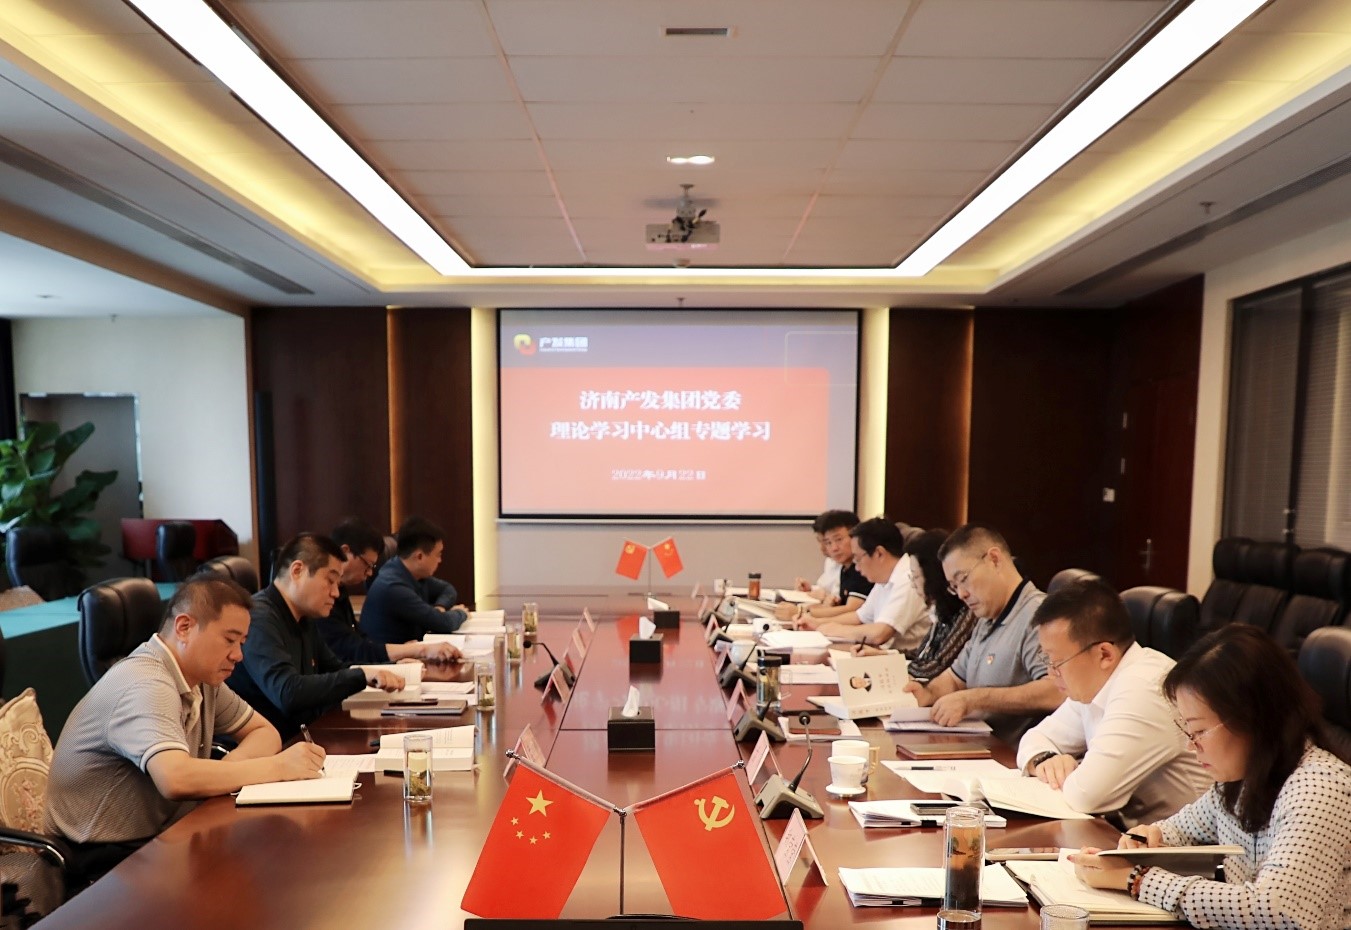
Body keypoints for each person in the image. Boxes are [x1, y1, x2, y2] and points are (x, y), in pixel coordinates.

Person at [45, 577, 326, 882]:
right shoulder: (146, 683)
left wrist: (229, 770)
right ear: (184, 627)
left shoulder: (201, 678)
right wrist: (277, 767)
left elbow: (264, 732)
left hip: (162, 834)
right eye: (229, 640)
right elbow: (175, 778)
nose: (238, 655)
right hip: (104, 858)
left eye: (242, 643)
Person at [1071, 624, 1351, 929]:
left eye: (1200, 730)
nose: (1191, 746)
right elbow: (1180, 829)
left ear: (1252, 717)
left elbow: (1277, 911)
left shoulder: (1319, 788)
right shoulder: (1241, 779)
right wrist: (1148, 838)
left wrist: (1138, 879)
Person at [1017, 579, 1209, 827]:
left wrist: (1071, 771)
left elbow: (1087, 796)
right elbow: (1035, 738)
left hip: (1184, 845)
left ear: (1104, 654)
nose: (1051, 673)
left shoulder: (1144, 689)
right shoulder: (1094, 682)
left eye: (1057, 662)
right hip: (1133, 835)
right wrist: (1046, 760)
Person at [228, 533, 404, 738]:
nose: (336, 593)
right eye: (330, 581)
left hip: (304, 736)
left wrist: (387, 670)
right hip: (269, 747)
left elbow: (335, 668)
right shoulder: (259, 618)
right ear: (297, 571)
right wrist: (362, 675)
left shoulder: (303, 616)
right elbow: (287, 692)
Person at [903, 523, 1060, 744]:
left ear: (994, 559)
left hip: (1010, 754)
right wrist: (927, 693)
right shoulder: (987, 617)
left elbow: (1055, 691)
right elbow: (955, 679)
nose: (961, 594)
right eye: (953, 586)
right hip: (975, 745)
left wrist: (974, 699)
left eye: (963, 578)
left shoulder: (1039, 617)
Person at [317, 517, 460, 665]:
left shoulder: (340, 591)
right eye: (368, 565)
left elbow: (358, 641)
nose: (370, 573)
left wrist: (402, 653)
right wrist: (417, 650)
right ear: (345, 552)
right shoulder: (391, 585)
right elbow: (351, 652)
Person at [850, 528, 979, 681]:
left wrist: (888, 666)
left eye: (916, 576)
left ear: (933, 575)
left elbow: (937, 665)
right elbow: (921, 654)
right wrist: (883, 656)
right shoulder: (941, 608)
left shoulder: (966, 611)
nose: (913, 584)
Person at [813, 517, 931, 650]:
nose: (857, 568)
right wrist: (817, 623)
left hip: (903, 658)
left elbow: (879, 634)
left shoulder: (908, 578)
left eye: (858, 559)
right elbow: (860, 617)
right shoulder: (884, 578)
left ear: (879, 553)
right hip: (881, 654)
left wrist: (837, 630)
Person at [360, 516, 470, 644]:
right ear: (419, 557)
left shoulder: (412, 572)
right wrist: (461, 613)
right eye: (438, 555)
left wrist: (439, 607)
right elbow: (444, 623)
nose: (440, 560)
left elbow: (448, 590)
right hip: (389, 655)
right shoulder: (394, 587)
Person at [776, 510, 872, 623]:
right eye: (828, 543)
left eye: (839, 539)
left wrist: (801, 612)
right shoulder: (845, 569)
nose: (834, 548)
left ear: (855, 537)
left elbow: (852, 609)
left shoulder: (862, 568)